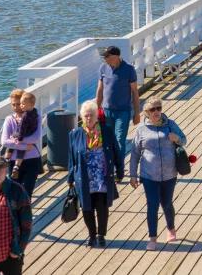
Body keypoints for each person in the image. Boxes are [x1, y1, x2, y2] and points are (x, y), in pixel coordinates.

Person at [130, 98, 187, 251]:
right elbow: (135, 154)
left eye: (158, 108)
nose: (156, 112)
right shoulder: (141, 130)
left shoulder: (170, 124)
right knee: (152, 205)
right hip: (149, 175)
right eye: (152, 110)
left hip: (169, 173)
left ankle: (171, 228)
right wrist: (133, 175)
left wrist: (177, 139)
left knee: (167, 203)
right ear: (146, 113)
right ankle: (152, 238)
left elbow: (184, 139)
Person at [69, 100, 122, 248]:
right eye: (85, 116)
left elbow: (116, 152)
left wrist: (120, 170)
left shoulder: (106, 131)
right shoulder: (75, 134)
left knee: (102, 207)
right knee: (87, 208)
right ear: (81, 117)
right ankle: (91, 235)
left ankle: (101, 235)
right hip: (84, 178)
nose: (88, 119)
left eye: (91, 115)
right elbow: (71, 158)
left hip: (102, 177)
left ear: (96, 116)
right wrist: (70, 178)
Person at [94, 45, 138, 178]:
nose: (105, 59)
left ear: (116, 56)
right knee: (107, 141)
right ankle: (110, 169)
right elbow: (100, 90)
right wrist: (96, 109)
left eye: (107, 56)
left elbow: (135, 92)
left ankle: (119, 170)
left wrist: (137, 113)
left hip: (123, 111)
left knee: (119, 140)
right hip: (106, 111)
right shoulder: (103, 68)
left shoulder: (129, 69)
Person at [0, 90, 43, 198]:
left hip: (32, 158)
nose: (16, 107)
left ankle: (26, 214)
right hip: (14, 161)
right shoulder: (9, 120)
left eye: (18, 104)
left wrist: (15, 140)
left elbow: (36, 138)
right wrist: (23, 146)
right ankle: (15, 214)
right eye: (13, 104)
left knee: (27, 191)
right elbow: (4, 141)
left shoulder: (35, 117)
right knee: (14, 192)